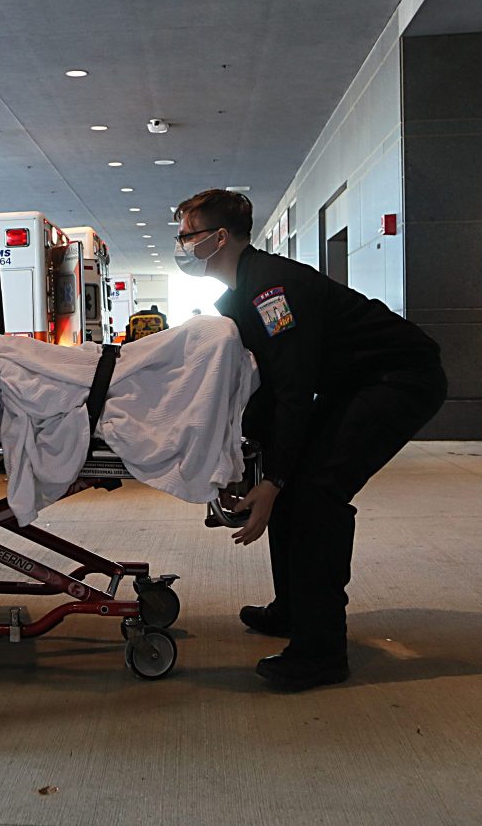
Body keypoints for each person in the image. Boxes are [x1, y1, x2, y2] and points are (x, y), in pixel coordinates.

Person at [173, 189, 446, 691]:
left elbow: (295, 389)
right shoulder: (239, 295)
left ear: (219, 238)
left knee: (317, 493)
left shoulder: (272, 290)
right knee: (292, 484)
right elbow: (265, 392)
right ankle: (293, 609)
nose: (182, 243)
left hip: (399, 378)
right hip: (351, 382)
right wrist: (245, 465)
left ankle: (321, 652)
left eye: (188, 234)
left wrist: (275, 478)